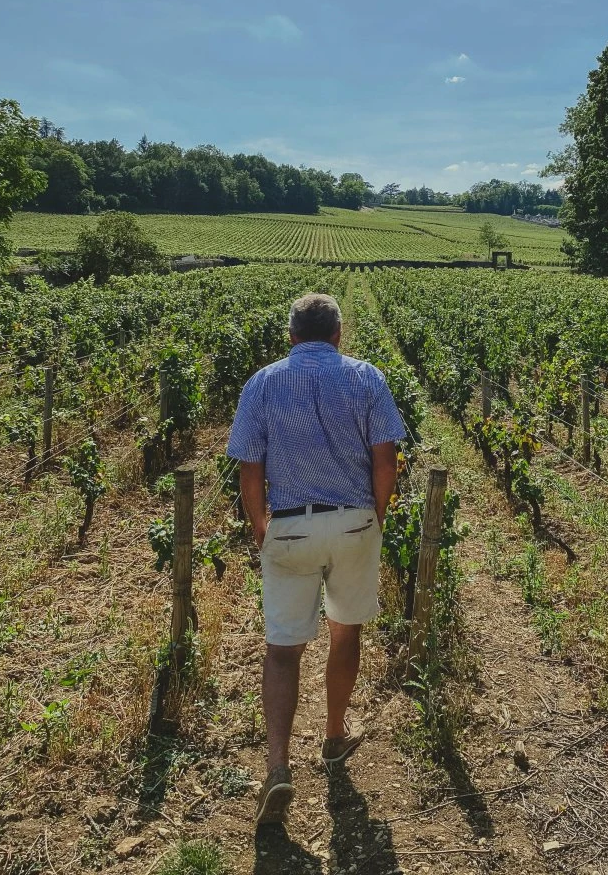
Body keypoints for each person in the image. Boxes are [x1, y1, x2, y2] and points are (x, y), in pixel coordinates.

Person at [227, 292, 404, 827]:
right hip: (353, 520)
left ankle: (278, 766)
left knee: (282, 650)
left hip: (290, 523)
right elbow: (386, 459)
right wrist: (372, 516)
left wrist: (262, 528)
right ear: (338, 335)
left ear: (291, 336)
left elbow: (249, 470)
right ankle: (332, 737)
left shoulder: (262, 383)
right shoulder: (367, 377)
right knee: (346, 633)